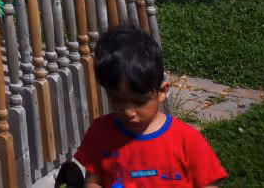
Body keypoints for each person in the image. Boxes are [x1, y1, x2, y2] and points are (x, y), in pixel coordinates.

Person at [73, 24, 226, 186]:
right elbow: (92, 181)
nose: (128, 112)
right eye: (116, 100)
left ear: (161, 92)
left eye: (139, 102)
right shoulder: (100, 133)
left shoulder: (188, 140)